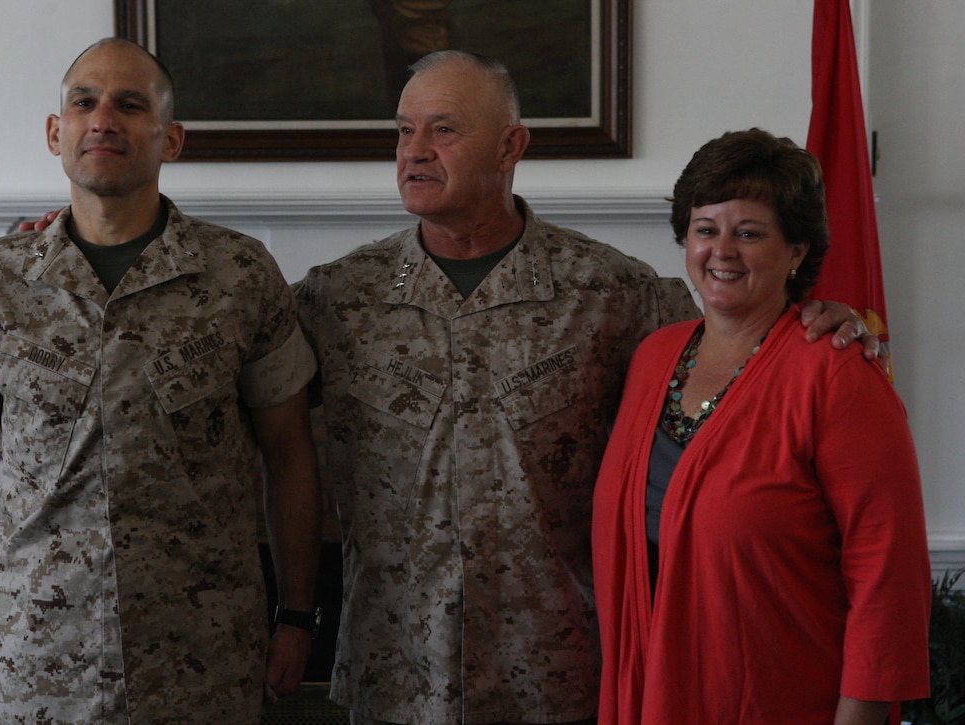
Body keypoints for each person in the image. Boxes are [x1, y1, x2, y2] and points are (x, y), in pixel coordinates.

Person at [292, 52, 875, 725]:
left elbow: (742, 361)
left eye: (443, 130)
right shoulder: (337, 297)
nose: (415, 152)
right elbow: (240, 401)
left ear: (512, 144)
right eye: (403, 131)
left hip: (558, 678)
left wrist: (820, 315)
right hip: (393, 674)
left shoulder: (613, 294)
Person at [0, 38, 323, 723]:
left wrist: (298, 613)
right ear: (57, 132)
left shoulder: (241, 275)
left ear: (171, 138)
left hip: (203, 661)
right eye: (84, 102)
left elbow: (290, 453)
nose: (103, 119)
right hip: (37, 662)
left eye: (130, 105)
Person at [592, 128, 931, 724]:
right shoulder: (652, 357)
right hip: (650, 691)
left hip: (779, 694)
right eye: (705, 229)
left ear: (796, 251)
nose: (722, 251)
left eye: (749, 233)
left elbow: (888, 574)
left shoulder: (837, 374)